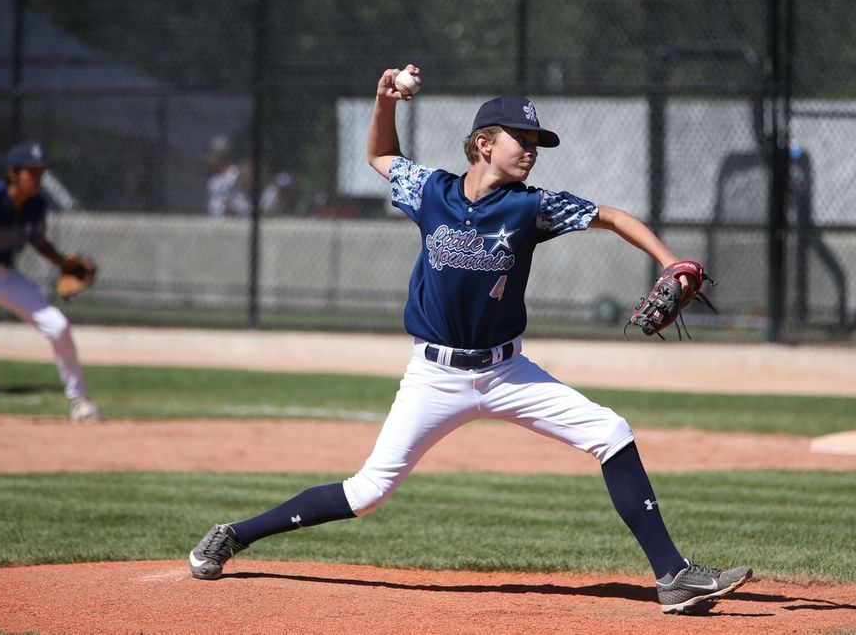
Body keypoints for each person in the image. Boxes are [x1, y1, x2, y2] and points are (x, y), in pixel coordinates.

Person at [188, 66, 752, 615]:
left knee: (611, 432)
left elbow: (611, 216)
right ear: (483, 143)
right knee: (368, 492)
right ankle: (234, 534)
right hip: (435, 375)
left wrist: (669, 261)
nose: (531, 149)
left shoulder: (533, 206)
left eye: (537, 142)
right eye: (521, 138)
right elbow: (381, 158)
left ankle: (672, 576)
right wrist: (384, 100)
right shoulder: (431, 191)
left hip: (509, 373)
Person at [0, 142, 98, 426]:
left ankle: (78, 400)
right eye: (32, 172)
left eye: (41, 172)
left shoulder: (36, 205)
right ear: (14, 173)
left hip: (6, 273)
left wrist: (61, 262)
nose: (38, 178)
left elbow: (38, 241)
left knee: (58, 326)